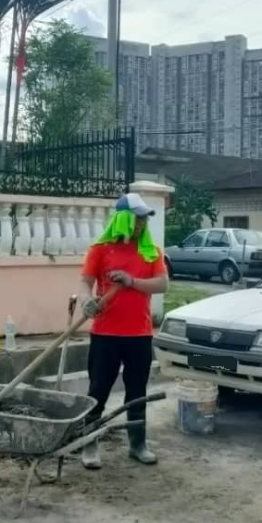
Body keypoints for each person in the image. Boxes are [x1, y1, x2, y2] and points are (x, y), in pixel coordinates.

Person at [77, 193, 168, 470]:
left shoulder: (151, 250)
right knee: (98, 390)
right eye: (138, 217)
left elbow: (162, 284)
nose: (142, 223)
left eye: (144, 219)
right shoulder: (101, 249)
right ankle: (89, 442)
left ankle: (137, 443)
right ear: (124, 219)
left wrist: (132, 281)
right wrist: (86, 300)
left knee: (137, 391)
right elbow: (85, 282)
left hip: (139, 334)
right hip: (106, 333)